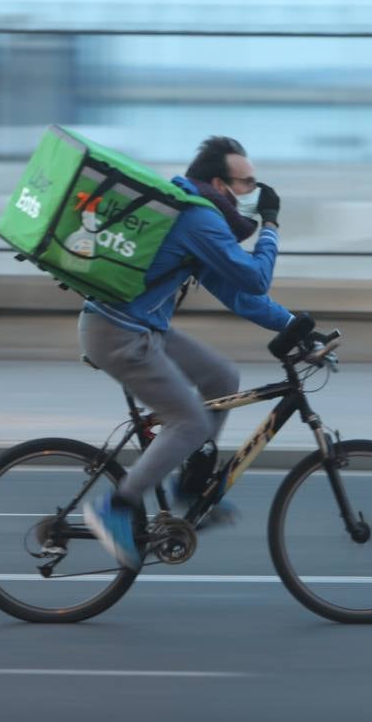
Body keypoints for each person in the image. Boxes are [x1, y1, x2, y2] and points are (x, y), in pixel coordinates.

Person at [80, 135, 299, 570]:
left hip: (138, 328)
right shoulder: (198, 219)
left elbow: (241, 297)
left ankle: (190, 484)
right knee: (190, 420)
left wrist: (294, 326)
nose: (253, 197)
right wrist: (271, 225)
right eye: (247, 185)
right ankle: (116, 508)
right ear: (220, 184)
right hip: (120, 334)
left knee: (221, 377)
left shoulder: (197, 214)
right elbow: (256, 279)